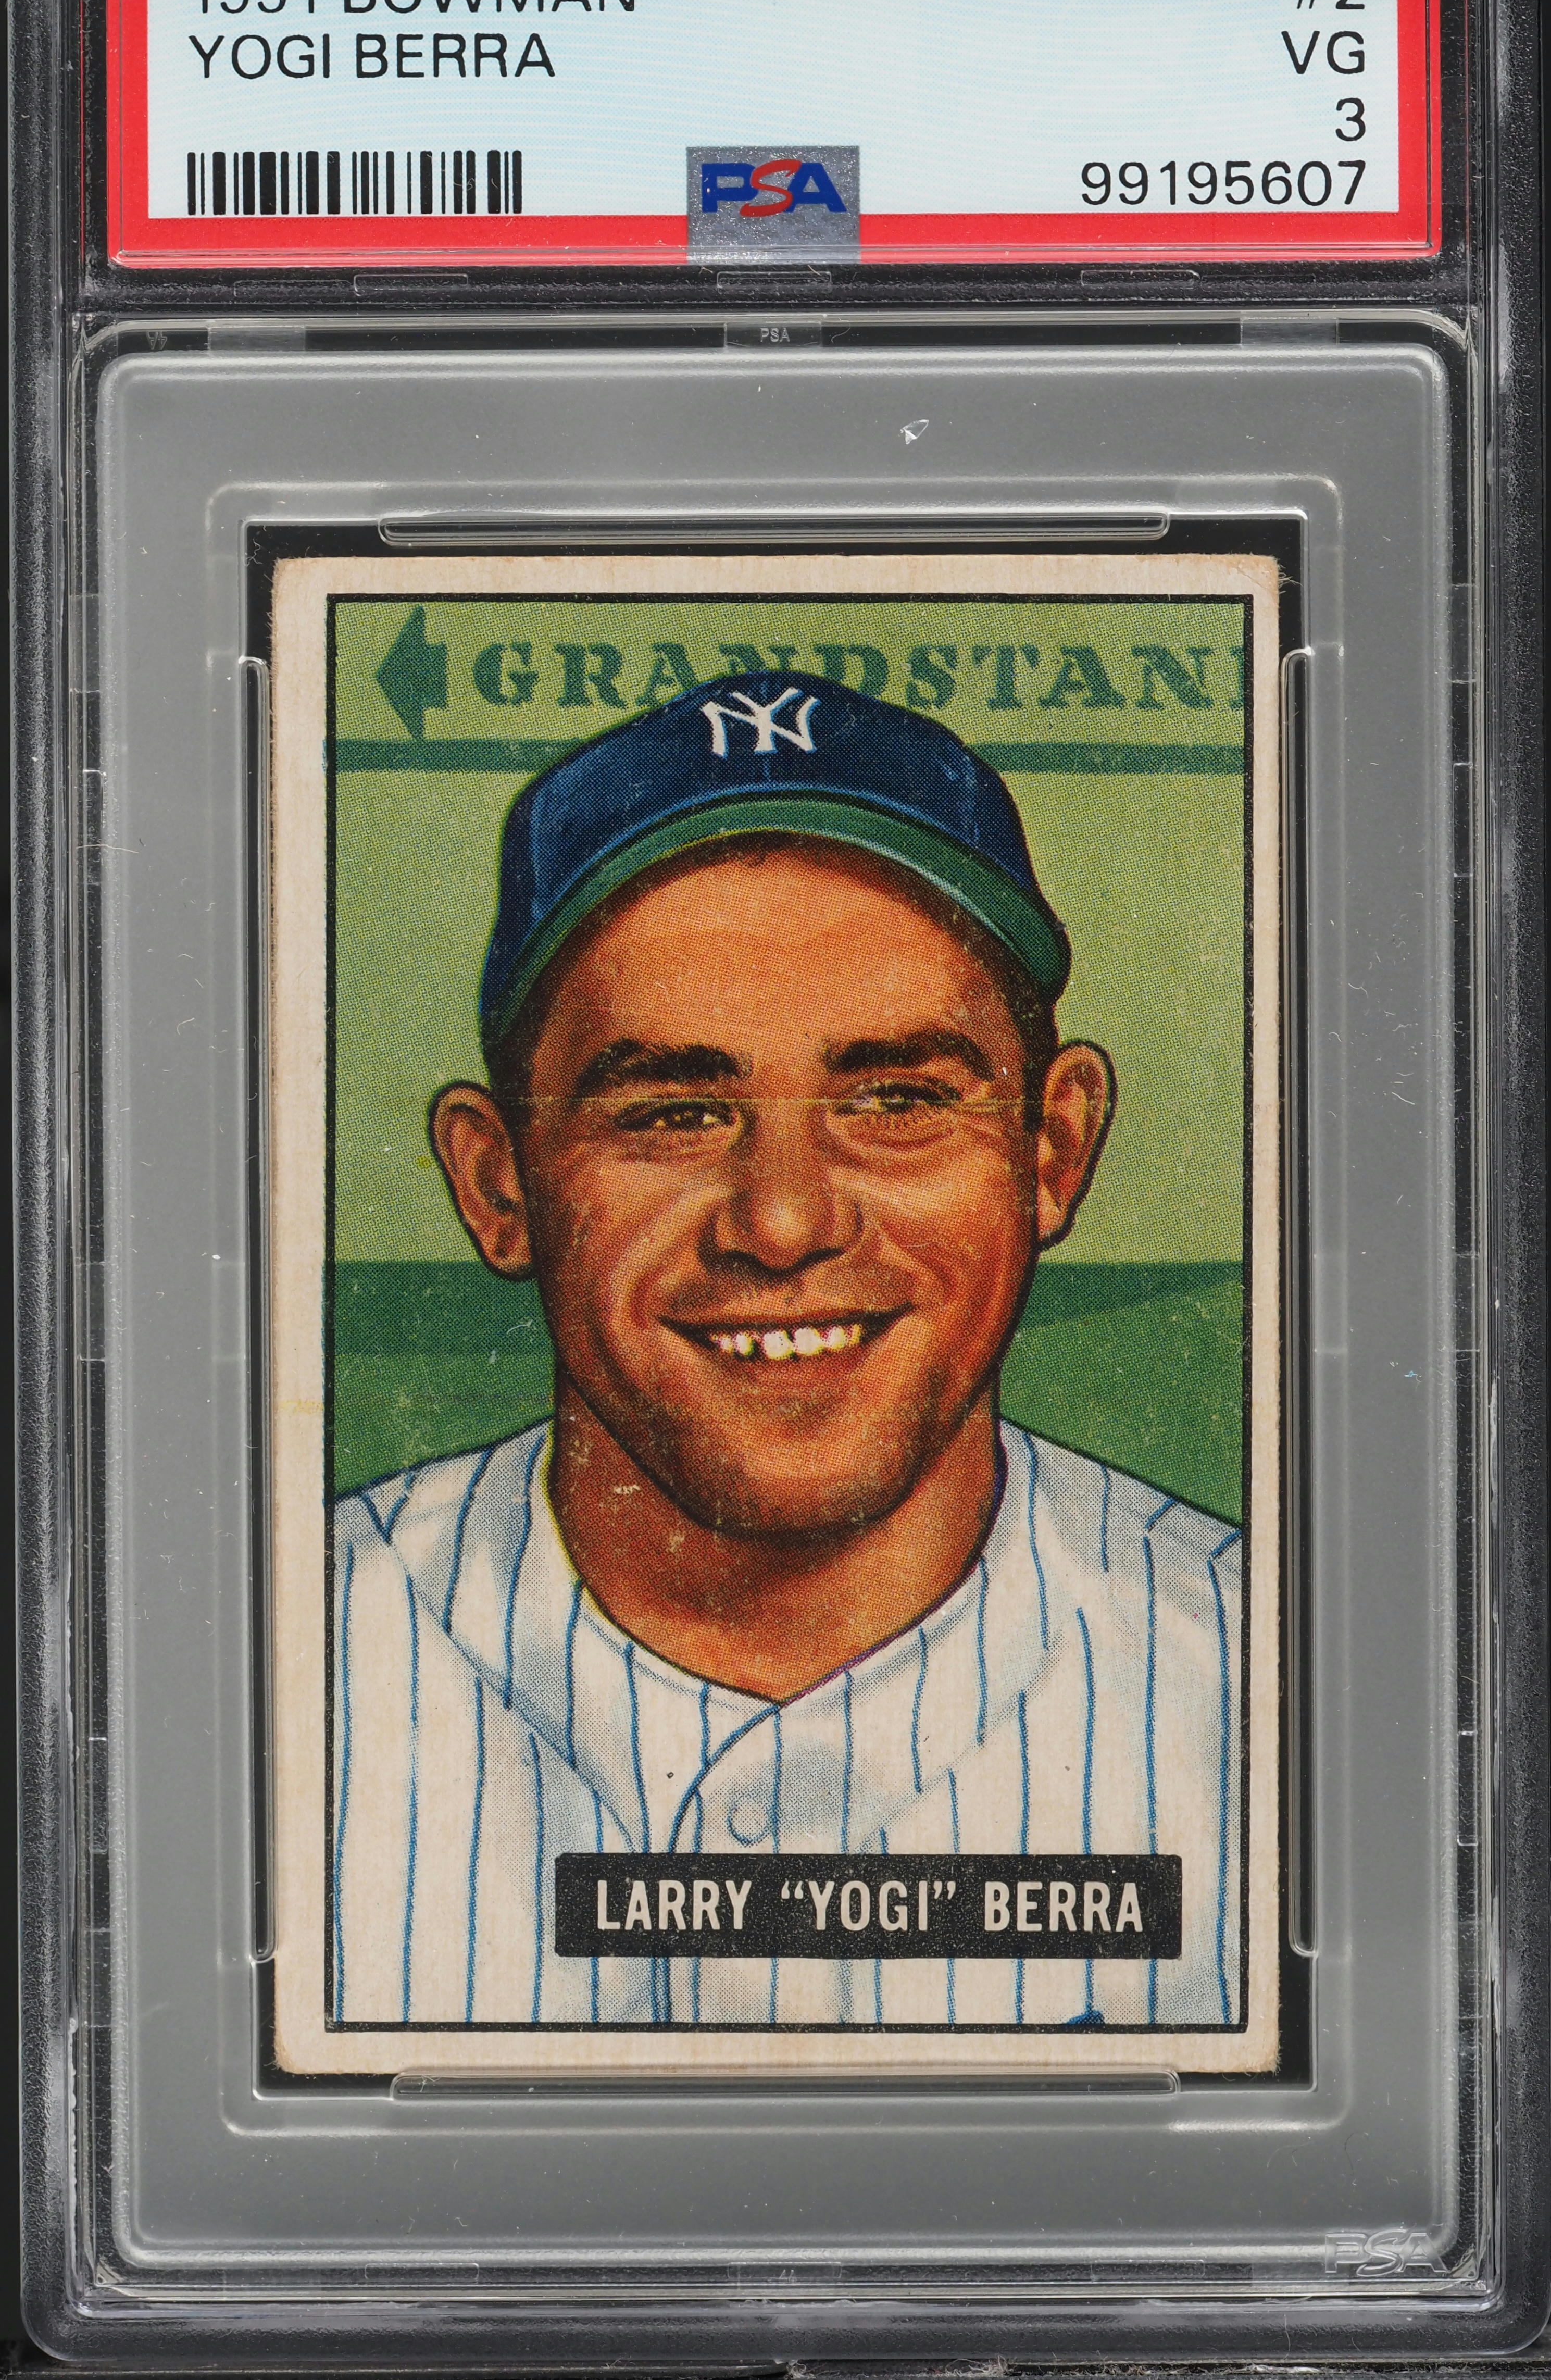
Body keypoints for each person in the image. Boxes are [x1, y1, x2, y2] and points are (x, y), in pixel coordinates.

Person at [328, 674, 1242, 2035]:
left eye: (897, 1099)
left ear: (1051, 1149)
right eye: (673, 1111)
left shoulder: (1289, 1684)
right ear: (497, 1180)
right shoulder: (250, 1676)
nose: (783, 1219)